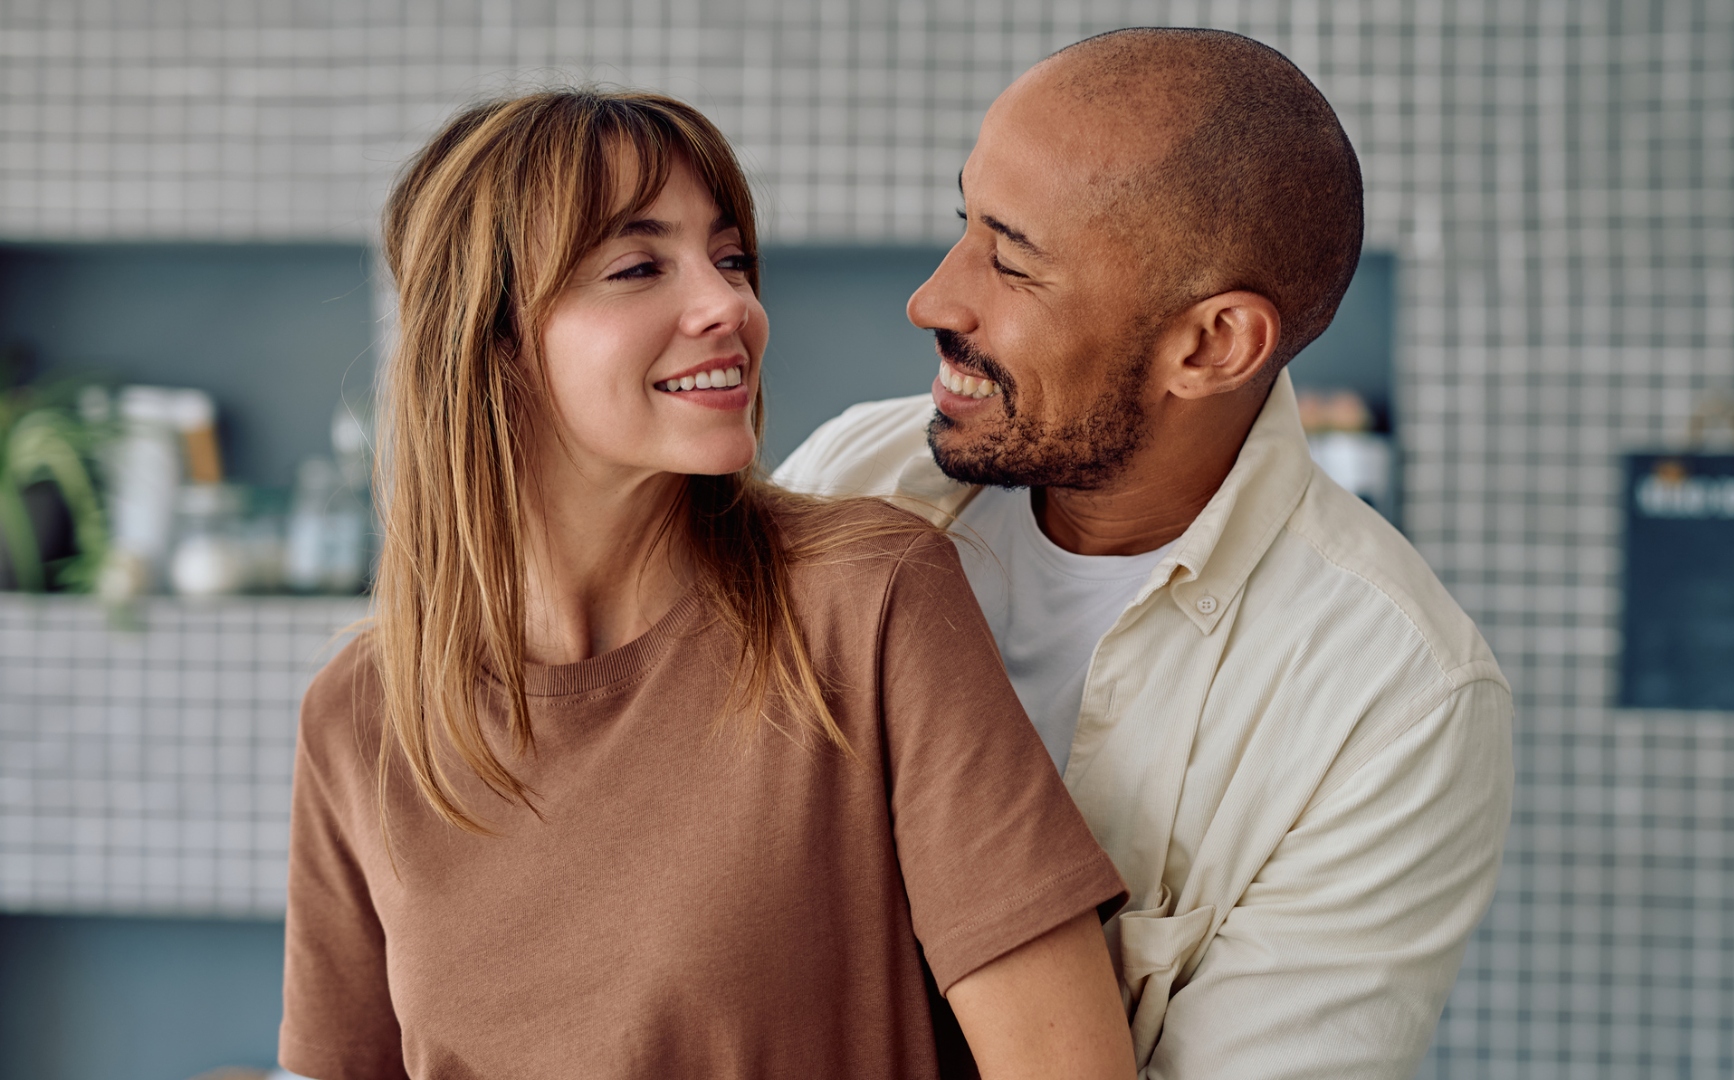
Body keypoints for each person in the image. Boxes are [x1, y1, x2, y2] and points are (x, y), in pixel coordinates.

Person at [278, 89, 1138, 1080]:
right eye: (639, 266)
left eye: (729, 258)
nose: (731, 305)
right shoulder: (361, 714)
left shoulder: (865, 604)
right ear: (489, 339)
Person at [775, 28, 1515, 1080]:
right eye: (964, 224)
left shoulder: (1397, 701)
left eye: (1014, 263)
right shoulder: (859, 469)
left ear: (1212, 345)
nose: (934, 299)